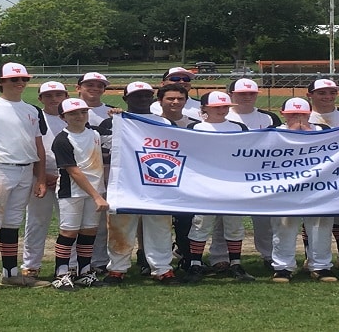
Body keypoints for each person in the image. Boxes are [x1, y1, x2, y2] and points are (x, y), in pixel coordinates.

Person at [0, 62, 49, 295]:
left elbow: (38, 146)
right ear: (0, 82)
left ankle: (10, 273)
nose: (20, 83)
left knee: (12, 222)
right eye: (14, 79)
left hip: (25, 170)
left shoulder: (33, 110)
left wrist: (41, 177)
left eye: (23, 79)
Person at [100, 82, 180, 285]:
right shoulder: (112, 122)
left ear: (152, 98)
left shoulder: (165, 123)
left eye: (146, 96)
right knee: (120, 227)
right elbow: (106, 153)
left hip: (157, 183)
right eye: (136, 96)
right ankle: (117, 269)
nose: (142, 100)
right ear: (126, 99)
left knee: (160, 227)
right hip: (124, 184)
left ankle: (162, 269)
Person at [213, 78, 282, 271]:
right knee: (223, 219)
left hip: (260, 175)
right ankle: (220, 257)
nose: (247, 97)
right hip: (228, 175)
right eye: (242, 93)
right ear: (231, 94)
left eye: (251, 93)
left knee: (264, 220)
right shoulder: (221, 115)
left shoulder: (268, 118)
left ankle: (269, 256)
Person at [184, 91, 254, 283]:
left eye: (225, 107)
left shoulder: (238, 127)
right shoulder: (195, 127)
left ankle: (236, 263)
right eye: (217, 107)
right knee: (201, 224)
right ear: (204, 108)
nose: (222, 110)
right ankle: (195, 264)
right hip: (204, 184)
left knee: (234, 224)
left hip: (232, 183)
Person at [269, 97, 335, 283]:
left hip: (318, 187)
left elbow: (332, 151)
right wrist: (291, 134)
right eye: (292, 115)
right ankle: (283, 267)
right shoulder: (274, 132)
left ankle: (321, 266)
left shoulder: (323, 130)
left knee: (320, 226)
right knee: (284, 226)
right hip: (286, 188)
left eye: (302, 114)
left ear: (309, 114)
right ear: (283, 114)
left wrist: (307, 133)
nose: (298, 118)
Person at [50, 98, 110, 291]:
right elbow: (73, 171)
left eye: (83, 112)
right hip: (72, 193)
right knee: (68, 233)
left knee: (88, 232)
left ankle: (84, 272)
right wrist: (96, 195)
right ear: (63, 117)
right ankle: (61, 273)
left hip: (95, 191)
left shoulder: (95, 133)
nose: (79, 116)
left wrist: (118, 116)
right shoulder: (62, 139)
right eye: (73, 113)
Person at [306, 78, 339, 270]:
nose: (328, 97)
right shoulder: (304, 116)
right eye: (322, 93)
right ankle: (309, 255)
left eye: (332, 93)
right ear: (310, 95)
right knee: (312, 215)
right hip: (312, 175)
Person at [21, 81, 68, 280]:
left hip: (69, 177)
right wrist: (42, 175)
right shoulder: (33, 117)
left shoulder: (75, 115)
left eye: (58, 95)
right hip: (40, 176)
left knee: (68, 224)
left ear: (66, 96)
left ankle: (70, 264)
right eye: (48, 95)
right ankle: (31, 265)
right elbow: (27, 149)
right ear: (40, 99)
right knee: (36, 221)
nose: (54, 99)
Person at [74, 72, 113, 274]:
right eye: (89, 84)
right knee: (72, 223)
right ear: (78, 87)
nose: (95, 88)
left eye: (100, 85)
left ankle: (98, 261)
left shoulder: (112, 113)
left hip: (102, 172)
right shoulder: (70, 109)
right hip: (74, 173)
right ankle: (72, 264)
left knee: (99, 222)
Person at [156, 83, 197, 271]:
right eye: (170, 98)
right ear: (160, 101)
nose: (175, 102)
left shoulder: (194, 125)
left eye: (180, 99)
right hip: (159, 182)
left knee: (186, 223)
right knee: (159, 225)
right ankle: (156, 262)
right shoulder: (150, 124)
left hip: (187, 183)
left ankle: (186, 257)